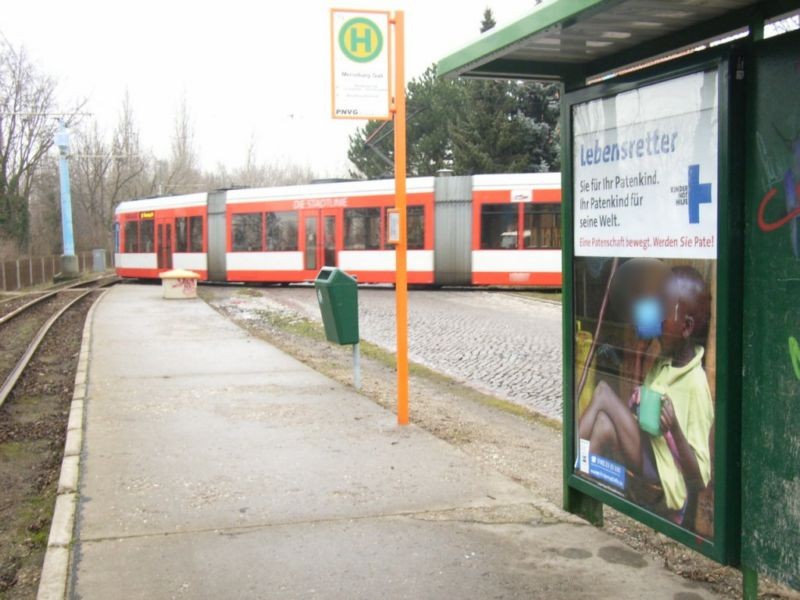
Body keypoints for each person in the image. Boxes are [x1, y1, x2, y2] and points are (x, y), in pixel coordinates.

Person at [578, 265, 714, 521]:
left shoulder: (696, 384)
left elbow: (701, 475)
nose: (653, 317)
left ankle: (573, 461)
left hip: (664, 474)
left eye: (661, 311)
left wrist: (673, 429)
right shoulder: (664, 364)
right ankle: (583, 490)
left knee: (604, 392)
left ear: (685, 327)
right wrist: (639, 395)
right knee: (604, 425)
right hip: (648, 451)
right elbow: (641, 413)